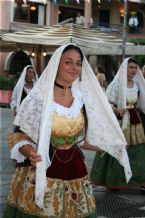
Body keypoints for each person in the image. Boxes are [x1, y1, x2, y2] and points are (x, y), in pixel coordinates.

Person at [3, 44, 132, 218]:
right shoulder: (39, 98)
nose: (74, 68)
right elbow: (18, 136)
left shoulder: (81, 100)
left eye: (78, 63)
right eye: (68, 62)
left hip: (75, 168)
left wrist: (111, 145)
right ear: (56, 64)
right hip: (43, 168)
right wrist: (30, 152)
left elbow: (82, 141)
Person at [91, 57, 145, 190]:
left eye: (135, 68)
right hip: (119, 122)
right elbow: (106, 103)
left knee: (137, 151)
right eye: (130, 67)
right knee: (119, 149)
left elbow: (141, 103)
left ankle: (140, 179)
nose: (133, 70)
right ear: (124, 69)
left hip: (135, 121)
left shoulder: (137, 84)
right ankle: (115, 180)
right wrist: (117, 109)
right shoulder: (116, 85)